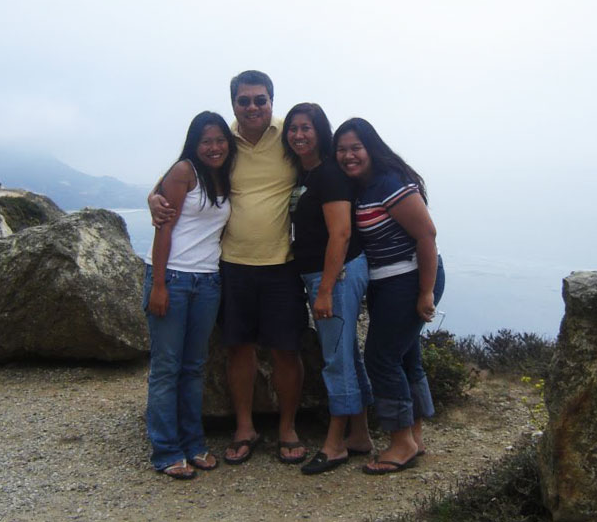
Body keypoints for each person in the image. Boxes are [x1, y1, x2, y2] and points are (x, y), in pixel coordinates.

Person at [150, 71, 308, 465]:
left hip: (281, 263)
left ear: (272, 99)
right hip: (231, 266)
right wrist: (153, 197)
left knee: (287, 350)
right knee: (237, 349)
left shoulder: (289, 135)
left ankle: (288, 429)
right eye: (244, 100)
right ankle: (243, 427)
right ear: (233, 102)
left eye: (260, 99)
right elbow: (178, 178)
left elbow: (324, 168)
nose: (253, 107)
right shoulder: (225, 142)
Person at [332, 117, 445, 475]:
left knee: (380, 358)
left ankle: (401, 443)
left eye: (355, 148)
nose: (348, 156)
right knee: (405, 356)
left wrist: (425, 292)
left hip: (410, 279)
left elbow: (427, 235)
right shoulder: (364, 187)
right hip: (388, 283)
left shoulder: (389, 184)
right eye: (341, 150)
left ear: (371, 148)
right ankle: (414, 434)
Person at [281, 103, 374, 475]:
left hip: (335, 274)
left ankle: (335, 444)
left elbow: (341, 233)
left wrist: (325, 290)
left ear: (321, 132)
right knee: (346, 352)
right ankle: (361, 435)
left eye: (307, 127)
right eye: (293, 128)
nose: (299, 134)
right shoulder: (306, 173)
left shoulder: (330, 175)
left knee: (335, 357)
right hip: (319, 274)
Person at [143, 111, 235, 480]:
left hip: (208, 281)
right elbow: (163, 230)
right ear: (194, 144)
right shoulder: (185, 171)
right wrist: (160, 285)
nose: (214, 148)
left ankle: (194, 444)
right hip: (174, 278)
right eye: (206, 141)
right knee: (167, 368)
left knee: (193, 368)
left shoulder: (223, 176)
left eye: (219, 141)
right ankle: (166, 450)